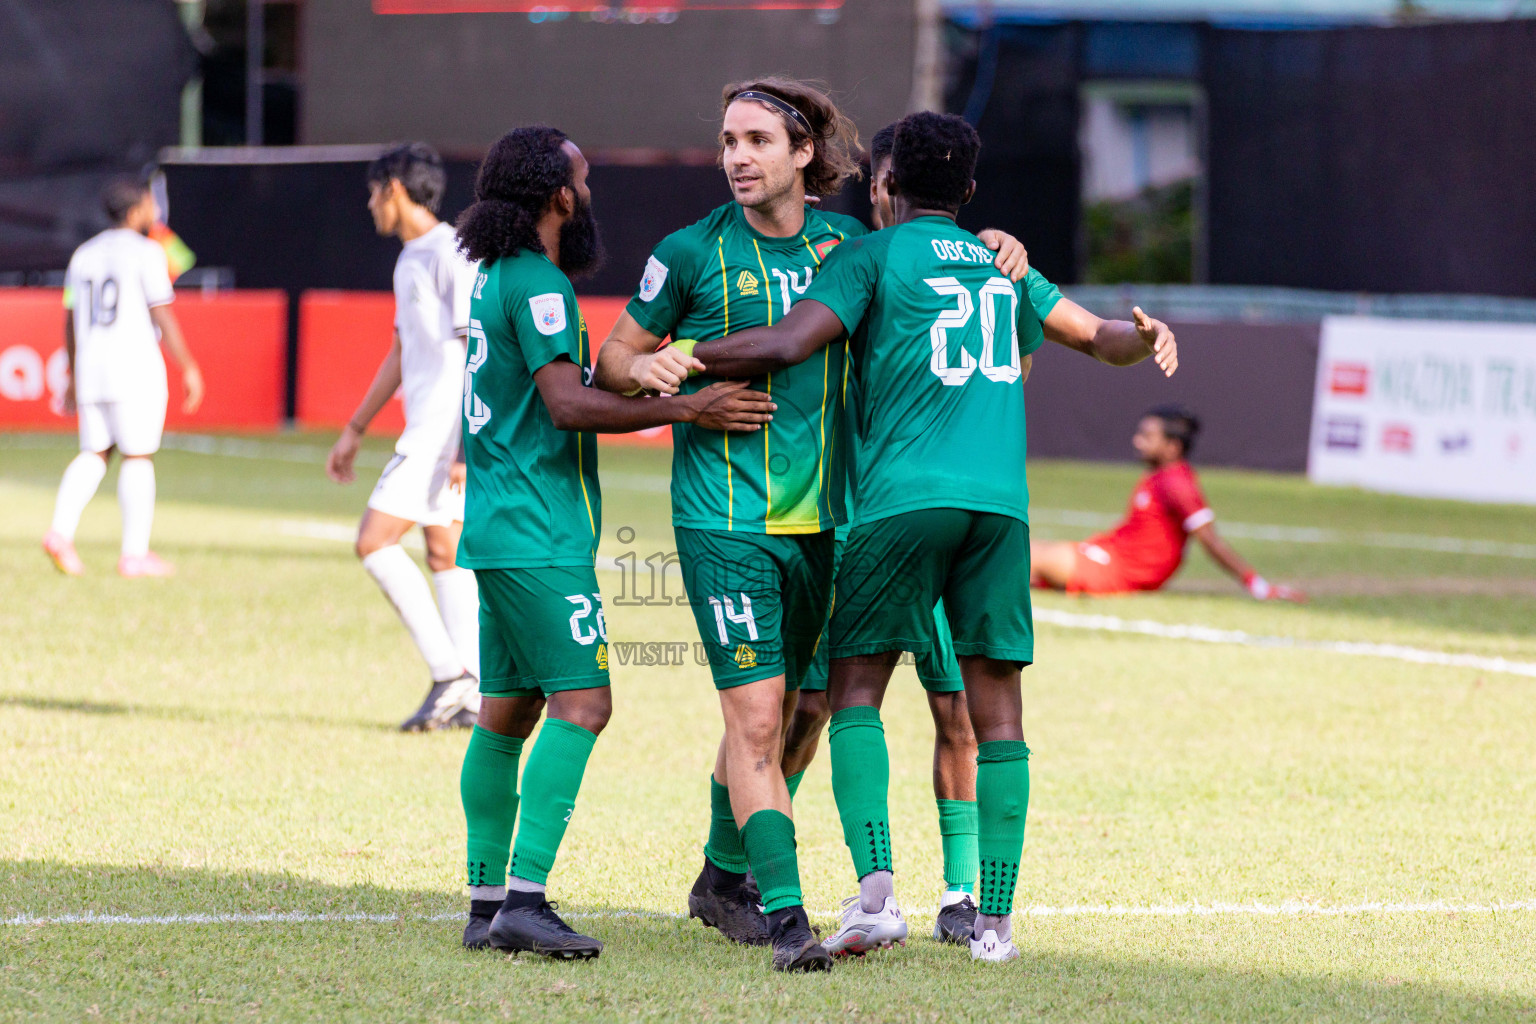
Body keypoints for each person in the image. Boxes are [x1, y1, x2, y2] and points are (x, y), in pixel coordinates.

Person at [687, 111, 1178, 962]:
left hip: (899, 503)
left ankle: (877, 895)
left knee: (852, 693)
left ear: (885, 184)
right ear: (971, 189)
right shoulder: (1003, 264)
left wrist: (688, 357)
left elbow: (791, 341)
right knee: (996, 711)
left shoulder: (871, 256)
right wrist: (1145, 335)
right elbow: (1102, 340)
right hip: (1001, 508)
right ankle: (994, 923)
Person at [593, 78, 1029, 972]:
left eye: (757, 140)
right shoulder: (689, 252)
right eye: (728, 141)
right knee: (757, 720)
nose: (737, 157)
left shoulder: (853, 248)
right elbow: (614, 359)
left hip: (835, 524)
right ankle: (787, 920)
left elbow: (938, 282)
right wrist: (672, 392)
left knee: (809, 710)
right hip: (728, 520)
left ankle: (722, 875)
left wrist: (996, 246)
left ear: (805, 154)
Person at [452, 125, 774, 961]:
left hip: (499, 524)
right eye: (584, 179)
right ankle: (524, 900)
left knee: (506, 714)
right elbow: (566, 403)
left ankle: (487, 904)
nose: (590, 192)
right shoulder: (540, 283)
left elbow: (555, 392)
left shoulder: (495, 275)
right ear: (559, 195)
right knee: (585, 706)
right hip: (539, 531)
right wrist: (687, 407)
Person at [325, 143, 484, 733]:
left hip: (442, 435)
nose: (370, 205)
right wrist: (355, 427)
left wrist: (466, 445)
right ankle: (473, 693)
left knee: (373, 542)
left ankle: (448, 675)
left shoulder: (451, 252)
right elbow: (400, 350)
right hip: (431, 431)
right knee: (444, 551)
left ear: (393, 188)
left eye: (373, 193)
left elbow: (478, 351)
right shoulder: (409, 258)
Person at [43, 177, 205, 578]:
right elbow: (160, 310)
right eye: (150, 205)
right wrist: (187, 365)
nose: (155, 212)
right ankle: (135, 554)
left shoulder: (83, 254)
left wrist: (73, 372)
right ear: (135, 211)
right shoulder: (147, 252)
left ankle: (60, 532)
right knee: (137, 455)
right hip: (133, 365)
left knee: (95, 451)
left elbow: (69, 318)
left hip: (91, 365)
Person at [1030, 406, 1305, 601]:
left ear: (1173, 447)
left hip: (1119, 570)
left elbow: (1210, 540)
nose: (1137, 441)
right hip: (1109, 555)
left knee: (1024, 557)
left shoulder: (1178, 484)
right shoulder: (1159, 477)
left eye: (1147, 437)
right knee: (1020, 551)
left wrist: (1256, 585)